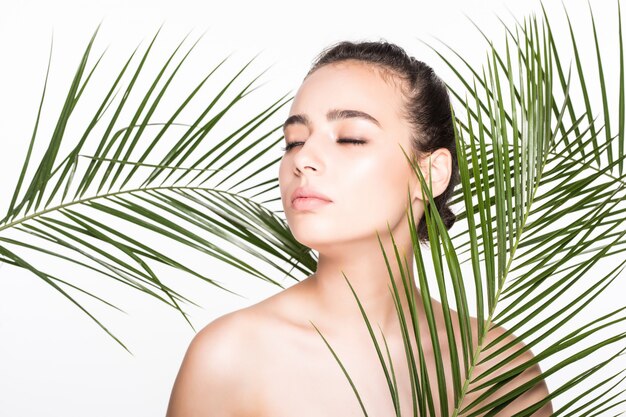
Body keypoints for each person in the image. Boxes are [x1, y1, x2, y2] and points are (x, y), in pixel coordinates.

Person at [166, 40, 553, 417]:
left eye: (350, 138)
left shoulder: (497, 368)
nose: (304, 159)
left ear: (430, 173)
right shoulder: (230, 357)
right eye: (294, 141)